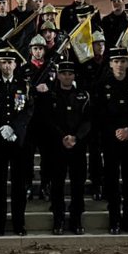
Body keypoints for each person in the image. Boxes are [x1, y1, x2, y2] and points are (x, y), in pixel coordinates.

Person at [0, 49, 34, 235]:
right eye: (3, 62)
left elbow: (28, 111)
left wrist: (14, 129)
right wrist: (1, 129)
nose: (6, 66)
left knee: (19, 185)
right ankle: (0, 225)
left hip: (18, 141)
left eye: (10, 62)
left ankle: (19, 224)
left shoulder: (23, 85)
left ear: (15, 64)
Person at [94, 48, 128, 234]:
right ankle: (114, 219)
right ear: (110, 63)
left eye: (123, 61)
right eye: (116, 61)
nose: (120, 65)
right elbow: (99, 113)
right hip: (111, 140)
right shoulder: (102, 85)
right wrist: (114, 131)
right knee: (112, 181)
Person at [38, 60, 92, 234]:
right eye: (64, 73)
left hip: (77, 146)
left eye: (70, 74)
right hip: (57, 146)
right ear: (58, 75)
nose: (67, 76)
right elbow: (47, 120)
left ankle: (76, 220)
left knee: (78, 185)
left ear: (74, 76)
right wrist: (62, 137)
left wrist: (76, 137)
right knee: (57, 185)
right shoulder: (51, 95)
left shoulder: (83, 95)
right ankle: (58, 219)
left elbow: (87, 120)